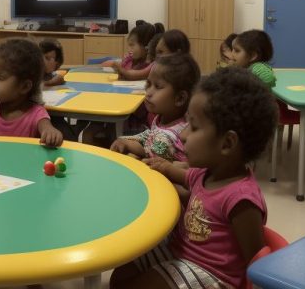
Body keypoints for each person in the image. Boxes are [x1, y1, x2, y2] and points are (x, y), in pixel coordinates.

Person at [110, 68, 278, 289]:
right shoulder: (206, 171)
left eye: (194, 127)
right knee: (119, 277)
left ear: (227, 144)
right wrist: (162, 166)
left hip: (213, 273)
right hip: (181, 250)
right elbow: (179, 173)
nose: (182, 135)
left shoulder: (241, 200)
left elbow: (257, 262)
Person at [0, 38, 63, 147]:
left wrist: (52, 134)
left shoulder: (37, 114)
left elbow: (50, 131)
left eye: (0, 77)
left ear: (25, 86)